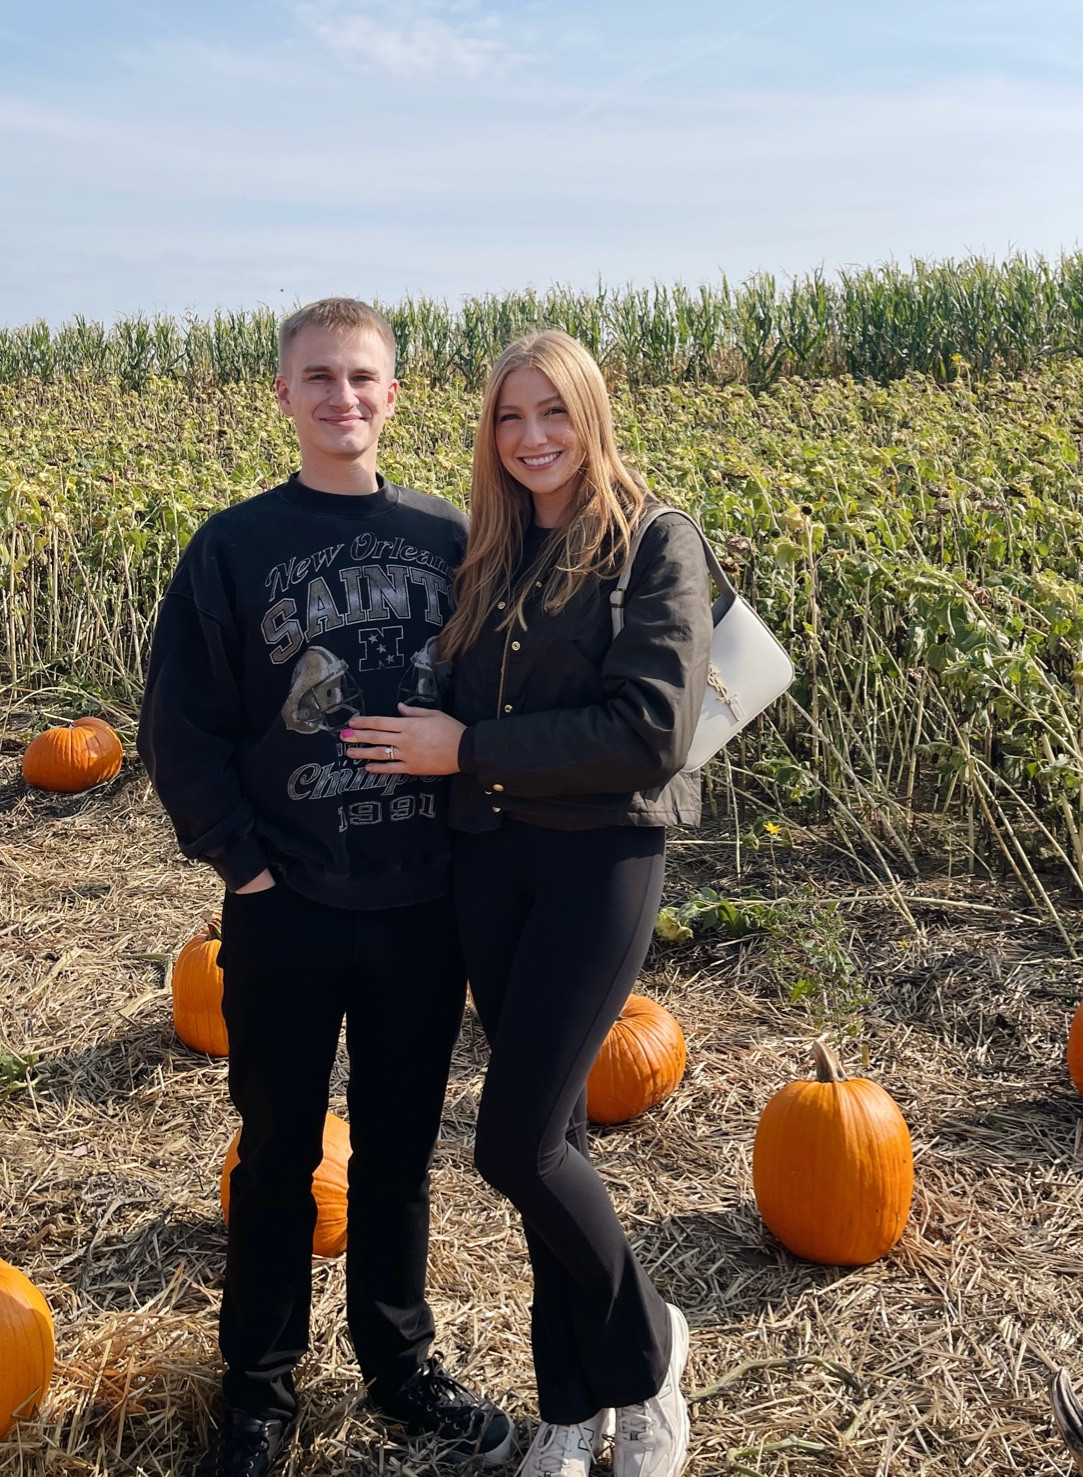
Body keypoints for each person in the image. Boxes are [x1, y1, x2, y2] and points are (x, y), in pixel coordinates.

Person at [138, 297, 514, 1477]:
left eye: (362, 378)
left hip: (418, 905)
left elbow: (513, 693)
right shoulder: (233, 548)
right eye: (319, 379)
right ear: (285, 395)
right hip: (285, 908)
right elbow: (178, 726)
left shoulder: (454, 536)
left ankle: (400, 1370)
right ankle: (256, 1392)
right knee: (277, 1154)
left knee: (397, 1158)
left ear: (393, 395)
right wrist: (241, 864)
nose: (341, 398)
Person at [343, 330, 712, 1477]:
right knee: (550, 1143)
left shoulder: (655, 542)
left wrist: (470, 749)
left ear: (590, 413)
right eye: (509, 417)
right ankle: (565, 1401)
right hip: (488, 866)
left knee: (513, 1143)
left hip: (596, 860)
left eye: (552, 412)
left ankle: (647, 1363)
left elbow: (649, 729)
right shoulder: (490, 551)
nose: (532, 436)